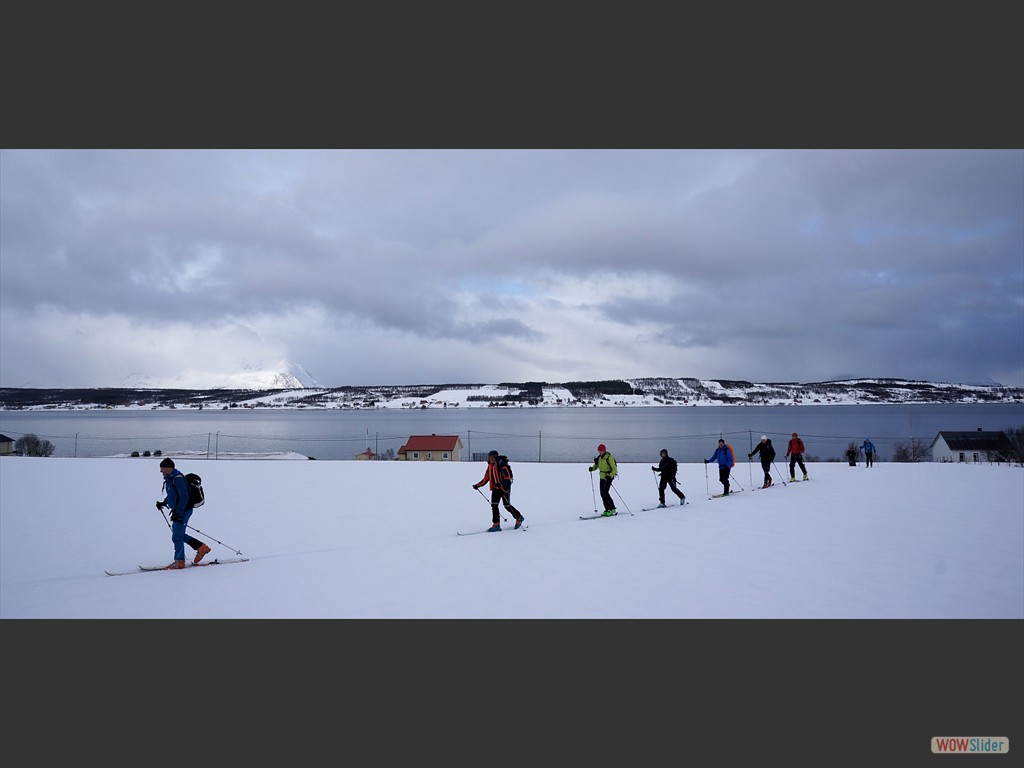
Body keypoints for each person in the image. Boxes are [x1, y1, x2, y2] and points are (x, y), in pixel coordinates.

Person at [156, 457, 211, 569]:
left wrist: (179, 513)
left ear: (169, 468)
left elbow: (184, 496)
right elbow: (173, 495)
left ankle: (179, 562)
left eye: (162, 468)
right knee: (178, 534)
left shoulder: (178, 479)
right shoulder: (170, 478)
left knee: (177, 536)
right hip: (178, 510)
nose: (160, 471)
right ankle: (201, 547)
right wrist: (164, 503)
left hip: (184, 510)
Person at [472, 450, 524, 532]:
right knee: (494, 505)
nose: (491, 458)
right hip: (496, 488)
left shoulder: (501, 463)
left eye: (492, 457)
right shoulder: (490, 466)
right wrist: (478, 485)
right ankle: (496, 524)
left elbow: (508, 476)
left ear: (495, 457)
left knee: (506, 505)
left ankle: (519, 517)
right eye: (489, 457)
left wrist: (501, 485)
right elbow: (486, 478)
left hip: (504, 488)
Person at [588, 443, 619, 516]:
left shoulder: (609, 458)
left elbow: (614, 469)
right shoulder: (599, 458)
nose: (600, 452)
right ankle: (607, 509)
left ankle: (612, 509)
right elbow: (596, 466)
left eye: (601, 451)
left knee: (605, 493)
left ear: (604, 450)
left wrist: (610, 475)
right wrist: (592, 468)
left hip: (608, 477)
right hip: (602, 477)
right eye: (599, 451)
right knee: (602, 494)